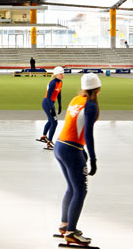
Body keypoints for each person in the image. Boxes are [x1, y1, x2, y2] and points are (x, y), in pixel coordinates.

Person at [54, 73, 101, 247]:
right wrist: (93, 158)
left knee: (72, 188)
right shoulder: (91, 106)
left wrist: (83, 151)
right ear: (98, 89)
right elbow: (87, 133)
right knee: (80, 191)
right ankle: (71, 232)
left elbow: (74, 125)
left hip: (60, 145)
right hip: (71, 149)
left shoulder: (76, 99)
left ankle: (65, 225)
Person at [37, 66, 64, 150]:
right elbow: (48, 97)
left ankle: (44, 136)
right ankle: (49, 142)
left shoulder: (60, 82)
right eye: (61, 74)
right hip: (47, 103)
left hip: (51, 104)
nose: (62, 75)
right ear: (56, 75)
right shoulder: (52, 83)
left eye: (63, 73)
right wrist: (52, 108)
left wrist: (60, 105)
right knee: (54, 122)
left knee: (50, 120)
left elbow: (59, 94)